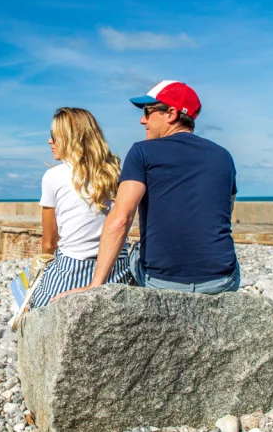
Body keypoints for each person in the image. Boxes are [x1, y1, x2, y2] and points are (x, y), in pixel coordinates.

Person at [59, 80, 239, 297]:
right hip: (222, 279)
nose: (142, 120)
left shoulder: (142, 152)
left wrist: (96, 284)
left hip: (162, 282)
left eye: (148, 111)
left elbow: (120, 219)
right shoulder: (223, 156)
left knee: (134, 252)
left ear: (171, 114)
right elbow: (223, 214)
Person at [30, 107, 133, 308]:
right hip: (117, 267)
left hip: (73, 267)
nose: (49, 141)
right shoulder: (116, 172)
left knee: (32, 308)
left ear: (70, 138)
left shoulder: (53, 177)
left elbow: (50, 243)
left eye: (54, 136)